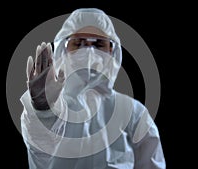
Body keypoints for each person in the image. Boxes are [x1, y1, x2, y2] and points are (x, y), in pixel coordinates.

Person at [20, 8, 166, 169]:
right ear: (63, 49)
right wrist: (43, 109)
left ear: (113, 52)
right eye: (78, 43)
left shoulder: (134, 114)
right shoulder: (57, 108)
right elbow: (40, 149)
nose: (89, 51)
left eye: (99, 44)